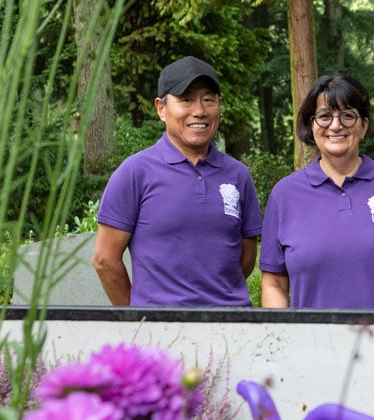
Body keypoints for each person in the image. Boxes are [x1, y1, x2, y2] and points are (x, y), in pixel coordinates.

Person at [91, 56, 263, 306]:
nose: (200, 111)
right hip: (160, 332)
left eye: (208, 99)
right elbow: (104, 259)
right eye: (186, 99)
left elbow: (246, 256)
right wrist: (138, 315)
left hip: (231, 326)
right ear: (161, 108)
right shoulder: (135, 172)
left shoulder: (237, 175)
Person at [259, 74, 374, 309]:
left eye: (347, 115)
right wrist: (284, 341)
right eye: (325, 116)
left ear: (364, 125)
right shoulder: (285, 195)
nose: (335, 126)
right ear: (312, 125)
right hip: (314, 343)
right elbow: (274, 283)